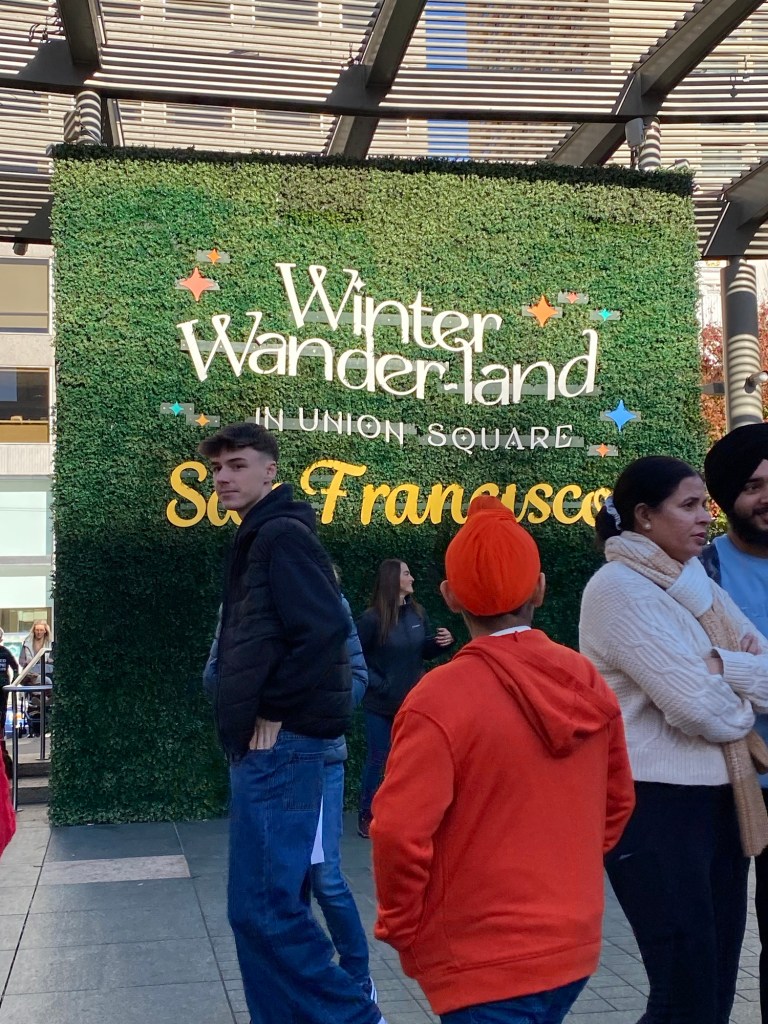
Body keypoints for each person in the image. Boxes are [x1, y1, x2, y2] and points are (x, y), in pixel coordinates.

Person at [370, 496, 635, 1024]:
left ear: (449, 595)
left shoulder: (437, 698)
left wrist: (401, 926)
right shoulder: (584, 678)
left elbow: (398, 831)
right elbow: (617, 803)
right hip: (572, 943)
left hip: (478, 956)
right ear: (540, 588)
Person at [197, 422, 384, 1024]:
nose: (223, 477)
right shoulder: (261, 533)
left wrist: (273, 707)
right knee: (261, 908)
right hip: (272, 749)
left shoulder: (280, 534)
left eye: (238, 465)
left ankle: (357, 1017)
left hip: (285, 747)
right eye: (217, 468)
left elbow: (325, 630)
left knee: (266, 909)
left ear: (270, 470)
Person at [580, 455, 768, 1024]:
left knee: (715, 990)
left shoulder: (694, 584)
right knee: (684, 996)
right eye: (689, 505)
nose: (705, 517)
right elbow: (696, 708)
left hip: (721, 801)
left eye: (704, 504)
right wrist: (736, 684)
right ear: (644, 516)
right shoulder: (616, 589)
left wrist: (720, 665)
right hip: (655, 807)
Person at [703, 423, 768, 1024]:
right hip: (723, 782)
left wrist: (736, 666)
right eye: (752, 486)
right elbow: (694, 676)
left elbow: (723, 668)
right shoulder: (699, 571)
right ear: (727, 498)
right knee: (714, 945)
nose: (767, 497)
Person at [310, 573, 374, 999]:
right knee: (283, 886)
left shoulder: (335, 604)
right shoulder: (244, 601)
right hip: (267, 764)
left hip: (322, 758)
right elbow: (216, 675)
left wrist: (323, 707)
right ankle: (305, 978)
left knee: (325, 878)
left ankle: (358, 977)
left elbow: (358, 674)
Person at [356, 559, 454, 838]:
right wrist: (380, 684)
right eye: (407, 574)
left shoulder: (418, 614)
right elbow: (355, 656)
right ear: (393, 580)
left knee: (413, 760)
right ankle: (367, 814)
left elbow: (421, 652)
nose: (412, 578)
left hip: (412, 703)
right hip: (379, 705)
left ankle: (410, 813)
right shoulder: (371, 620)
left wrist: (440, 644)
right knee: (378, 758)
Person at [0, 630, 18, 778]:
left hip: (2, 687)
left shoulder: (5, 652)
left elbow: (16, 667)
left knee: (2, 713)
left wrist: (13, 683)